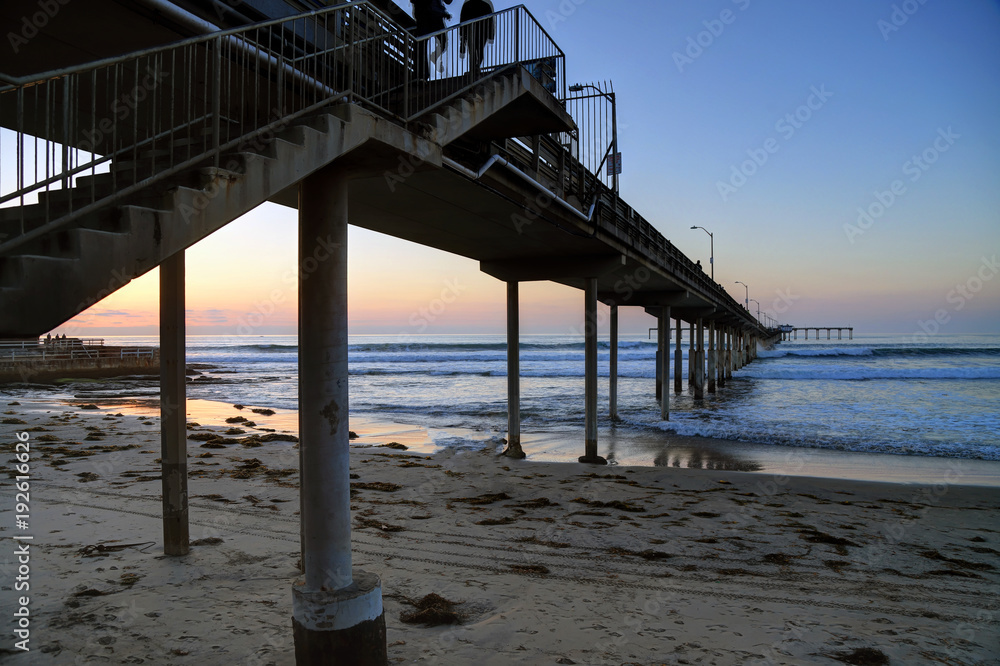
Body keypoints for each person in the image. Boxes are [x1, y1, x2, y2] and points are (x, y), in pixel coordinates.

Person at [412, 0, 453, 79]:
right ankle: (422, 75)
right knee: (421, 44)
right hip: (424, 14)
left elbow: (448, 1)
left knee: (443, 42)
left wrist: (443, 13)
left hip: (436, 15)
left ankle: (423, 73)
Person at [459, 0, 494, 78]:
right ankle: (475, 67)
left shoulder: (467, 4)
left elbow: (462, 19)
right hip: (481, 30)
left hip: (473, 30)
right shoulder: (486, 4)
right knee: (477, 49)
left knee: (474, 50)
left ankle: (475, 68)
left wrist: (462, 33)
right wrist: (491, 35)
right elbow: (491, 19)